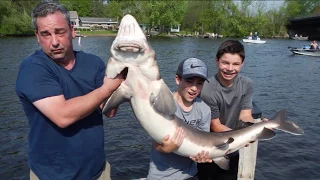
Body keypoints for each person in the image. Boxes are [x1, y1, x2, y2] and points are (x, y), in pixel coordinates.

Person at [15, 2, 124, 179]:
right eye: (46, 34)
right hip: (51, 175)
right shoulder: (33, 68)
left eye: (60, 31)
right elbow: (62, 116)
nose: (54, 42)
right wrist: (109, 87)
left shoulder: (93, 63)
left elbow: (109, 111)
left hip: (98, 172)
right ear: (37, 37)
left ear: (72, 31)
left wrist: (126, 82)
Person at [147, 58, 212, 180]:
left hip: (190, 175)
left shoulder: (205, 109)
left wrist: (202, 156)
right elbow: (156, 143)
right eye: (189, 81)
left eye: (199, 83)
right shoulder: (163, 105)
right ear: (178, 79)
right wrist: (165, 149)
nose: (194, 88)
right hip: (161, 176)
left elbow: (204, 140)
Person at [198, 40, 255, 180]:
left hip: (233, 147)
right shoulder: (207, 89)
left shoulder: (247, 84)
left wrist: (252, 128)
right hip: (209, 149)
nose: (230, 68)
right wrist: (245, 136)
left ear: (242, 64)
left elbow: (246, 115)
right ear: (217, 61)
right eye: (225, 63)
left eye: (235, 64)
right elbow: (215, 126)